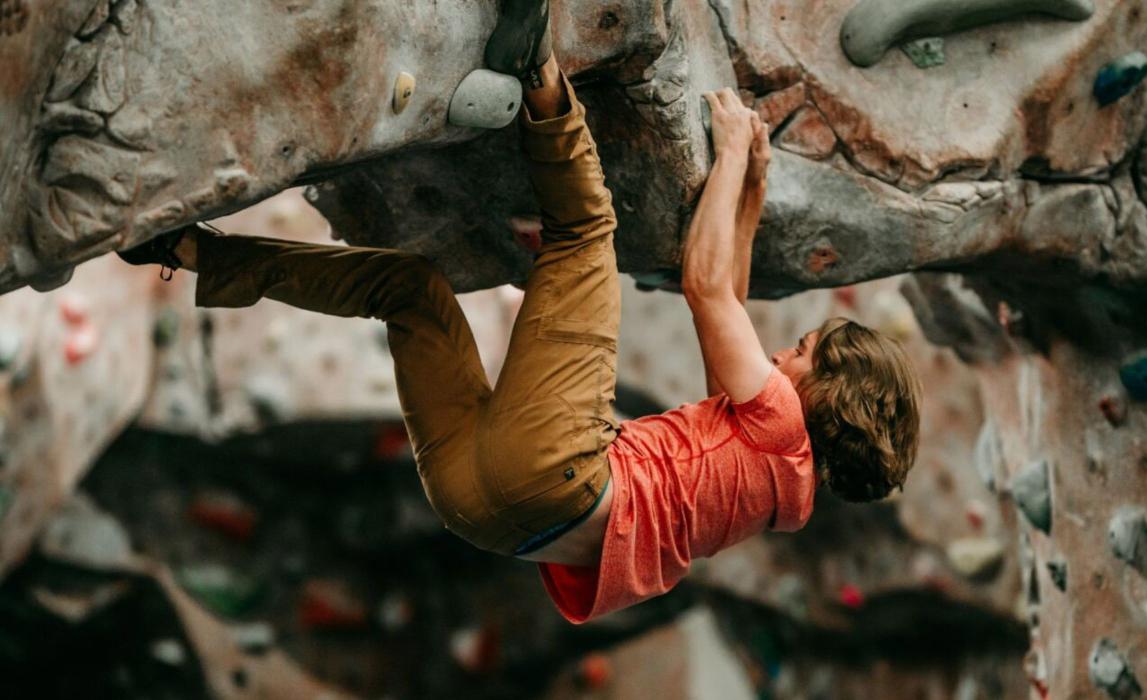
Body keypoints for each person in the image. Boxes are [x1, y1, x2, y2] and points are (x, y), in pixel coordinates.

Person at [118, 0, 922, 624]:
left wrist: (740, 150)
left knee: (586, 229)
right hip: (480, 510)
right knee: (409, 294)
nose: (787, 357)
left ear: (835, 397)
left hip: (555, 473)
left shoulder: (780, 423)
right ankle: (192, 253)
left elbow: (707, 288)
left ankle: (534, 61)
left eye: (808, 353)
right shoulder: (775, 485)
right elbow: (730, 304)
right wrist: (746, 188)